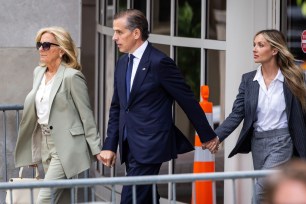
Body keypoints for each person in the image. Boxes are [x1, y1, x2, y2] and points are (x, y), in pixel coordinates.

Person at [99, 9, 218, 204]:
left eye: (119, 32)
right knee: (145, 197)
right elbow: (118, 107)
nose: (114, 38)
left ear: (136, 33)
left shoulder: (159, 62)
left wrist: (207, 135)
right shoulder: (122, 63)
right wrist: (110, 144)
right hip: (129, 144)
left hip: (151, 144)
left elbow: (186, 99)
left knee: (130, 198)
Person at [205, 29, 306, 204]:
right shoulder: (248, 80)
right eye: (254, 44)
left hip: (283, 142)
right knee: (270, 194)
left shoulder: (293, 78)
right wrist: (217, 136)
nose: (254, 49)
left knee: (259, 194)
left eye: (261, 45)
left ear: (274, 50)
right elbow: (237, 113)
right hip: (258, 143)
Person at [14, 26, 103, 203]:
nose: (41, 49)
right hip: (45, 142)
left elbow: (86, 115)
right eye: (39, 44)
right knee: (62, 198)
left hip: (67, 146)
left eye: (46, 45)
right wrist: (34, 148)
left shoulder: (72, 77)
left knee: (44, 199)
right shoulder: (38, 72)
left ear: (61, 50)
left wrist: (97, 149)